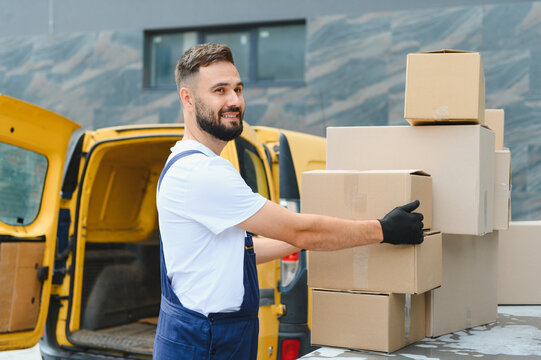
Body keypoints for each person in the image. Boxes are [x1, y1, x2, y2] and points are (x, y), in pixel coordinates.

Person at [154, 43, 424, 360]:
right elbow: (299, 231)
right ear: (187, 98)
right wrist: (383, 230)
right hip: (204, 343)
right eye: (220, 90)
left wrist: (323, 237)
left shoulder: (191, 163)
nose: (234, 101)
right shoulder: (200, 172)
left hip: (212, 336)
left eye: (238, 89)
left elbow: (242, 253)